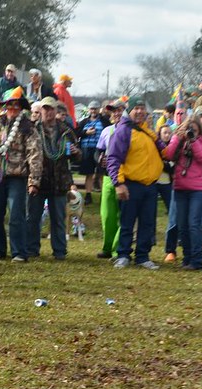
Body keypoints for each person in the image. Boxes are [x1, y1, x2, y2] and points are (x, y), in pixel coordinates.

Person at [106, 98, 165, 269]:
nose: (139, 112)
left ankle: (143, 256)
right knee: (127, 221)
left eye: (142, 108)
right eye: (136, 109)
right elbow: (114, 158)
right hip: (131, 184)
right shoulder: (123, 131)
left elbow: (164, 151)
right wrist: (118, 183)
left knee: (147, 223)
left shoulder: (149, 132)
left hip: (150, 186)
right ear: (129, 111)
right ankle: (123, 254)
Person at [27, 96, 79, 260]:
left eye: (51, 108)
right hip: (38, 181)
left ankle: (59, 251)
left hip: (59, 181)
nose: (48, 112)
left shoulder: (66, 130)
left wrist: (77, 152)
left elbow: (78, 156)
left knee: (58, 219)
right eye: (45, 108)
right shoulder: (32, 129)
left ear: (57, 111)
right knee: (33, 218)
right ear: (40, 110)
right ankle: (31, 249)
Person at [0, 88, 40, 261]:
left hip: (18, 177)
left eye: (16, 105)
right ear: (5, 106)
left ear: (21, 108)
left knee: (16, 215)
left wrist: (33, 181)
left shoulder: (28, 127)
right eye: (9, 104)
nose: (12, 108)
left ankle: (19, 252)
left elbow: (35, 154)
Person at [163, 117, 202, 270]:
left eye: (195, 130)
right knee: (182, 226)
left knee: (194, 224)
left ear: (200, 130)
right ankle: (187, 258)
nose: (192, 132)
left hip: (197, 190)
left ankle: (197, 260)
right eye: (189, 130)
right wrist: (179, 137)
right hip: (179, 187)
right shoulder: (178, 138)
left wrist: (194, 140)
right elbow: (169, 155)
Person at [95, 99, 124, 259]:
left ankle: (116, 249)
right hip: (107, 177)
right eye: (114, 111)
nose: (117, 113)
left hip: (123, 177)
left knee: (122, 215)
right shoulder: (106, 130)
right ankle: (107, 247)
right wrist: (99, 159)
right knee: (107, 215)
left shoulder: (129, 130)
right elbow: (97, 151)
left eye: (120, 110)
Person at [76, 101, 104, 204]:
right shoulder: (84, 122)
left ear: (98, 110)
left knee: (101, 173)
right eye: (91, 109)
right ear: (89, 110)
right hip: (86, 149)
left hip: (99, 150)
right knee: (89, 173)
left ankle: (103, 195)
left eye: (95, 109)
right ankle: (88, 195)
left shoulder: (103, 121)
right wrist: (86, 132)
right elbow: (76, 133)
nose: (93, 111)